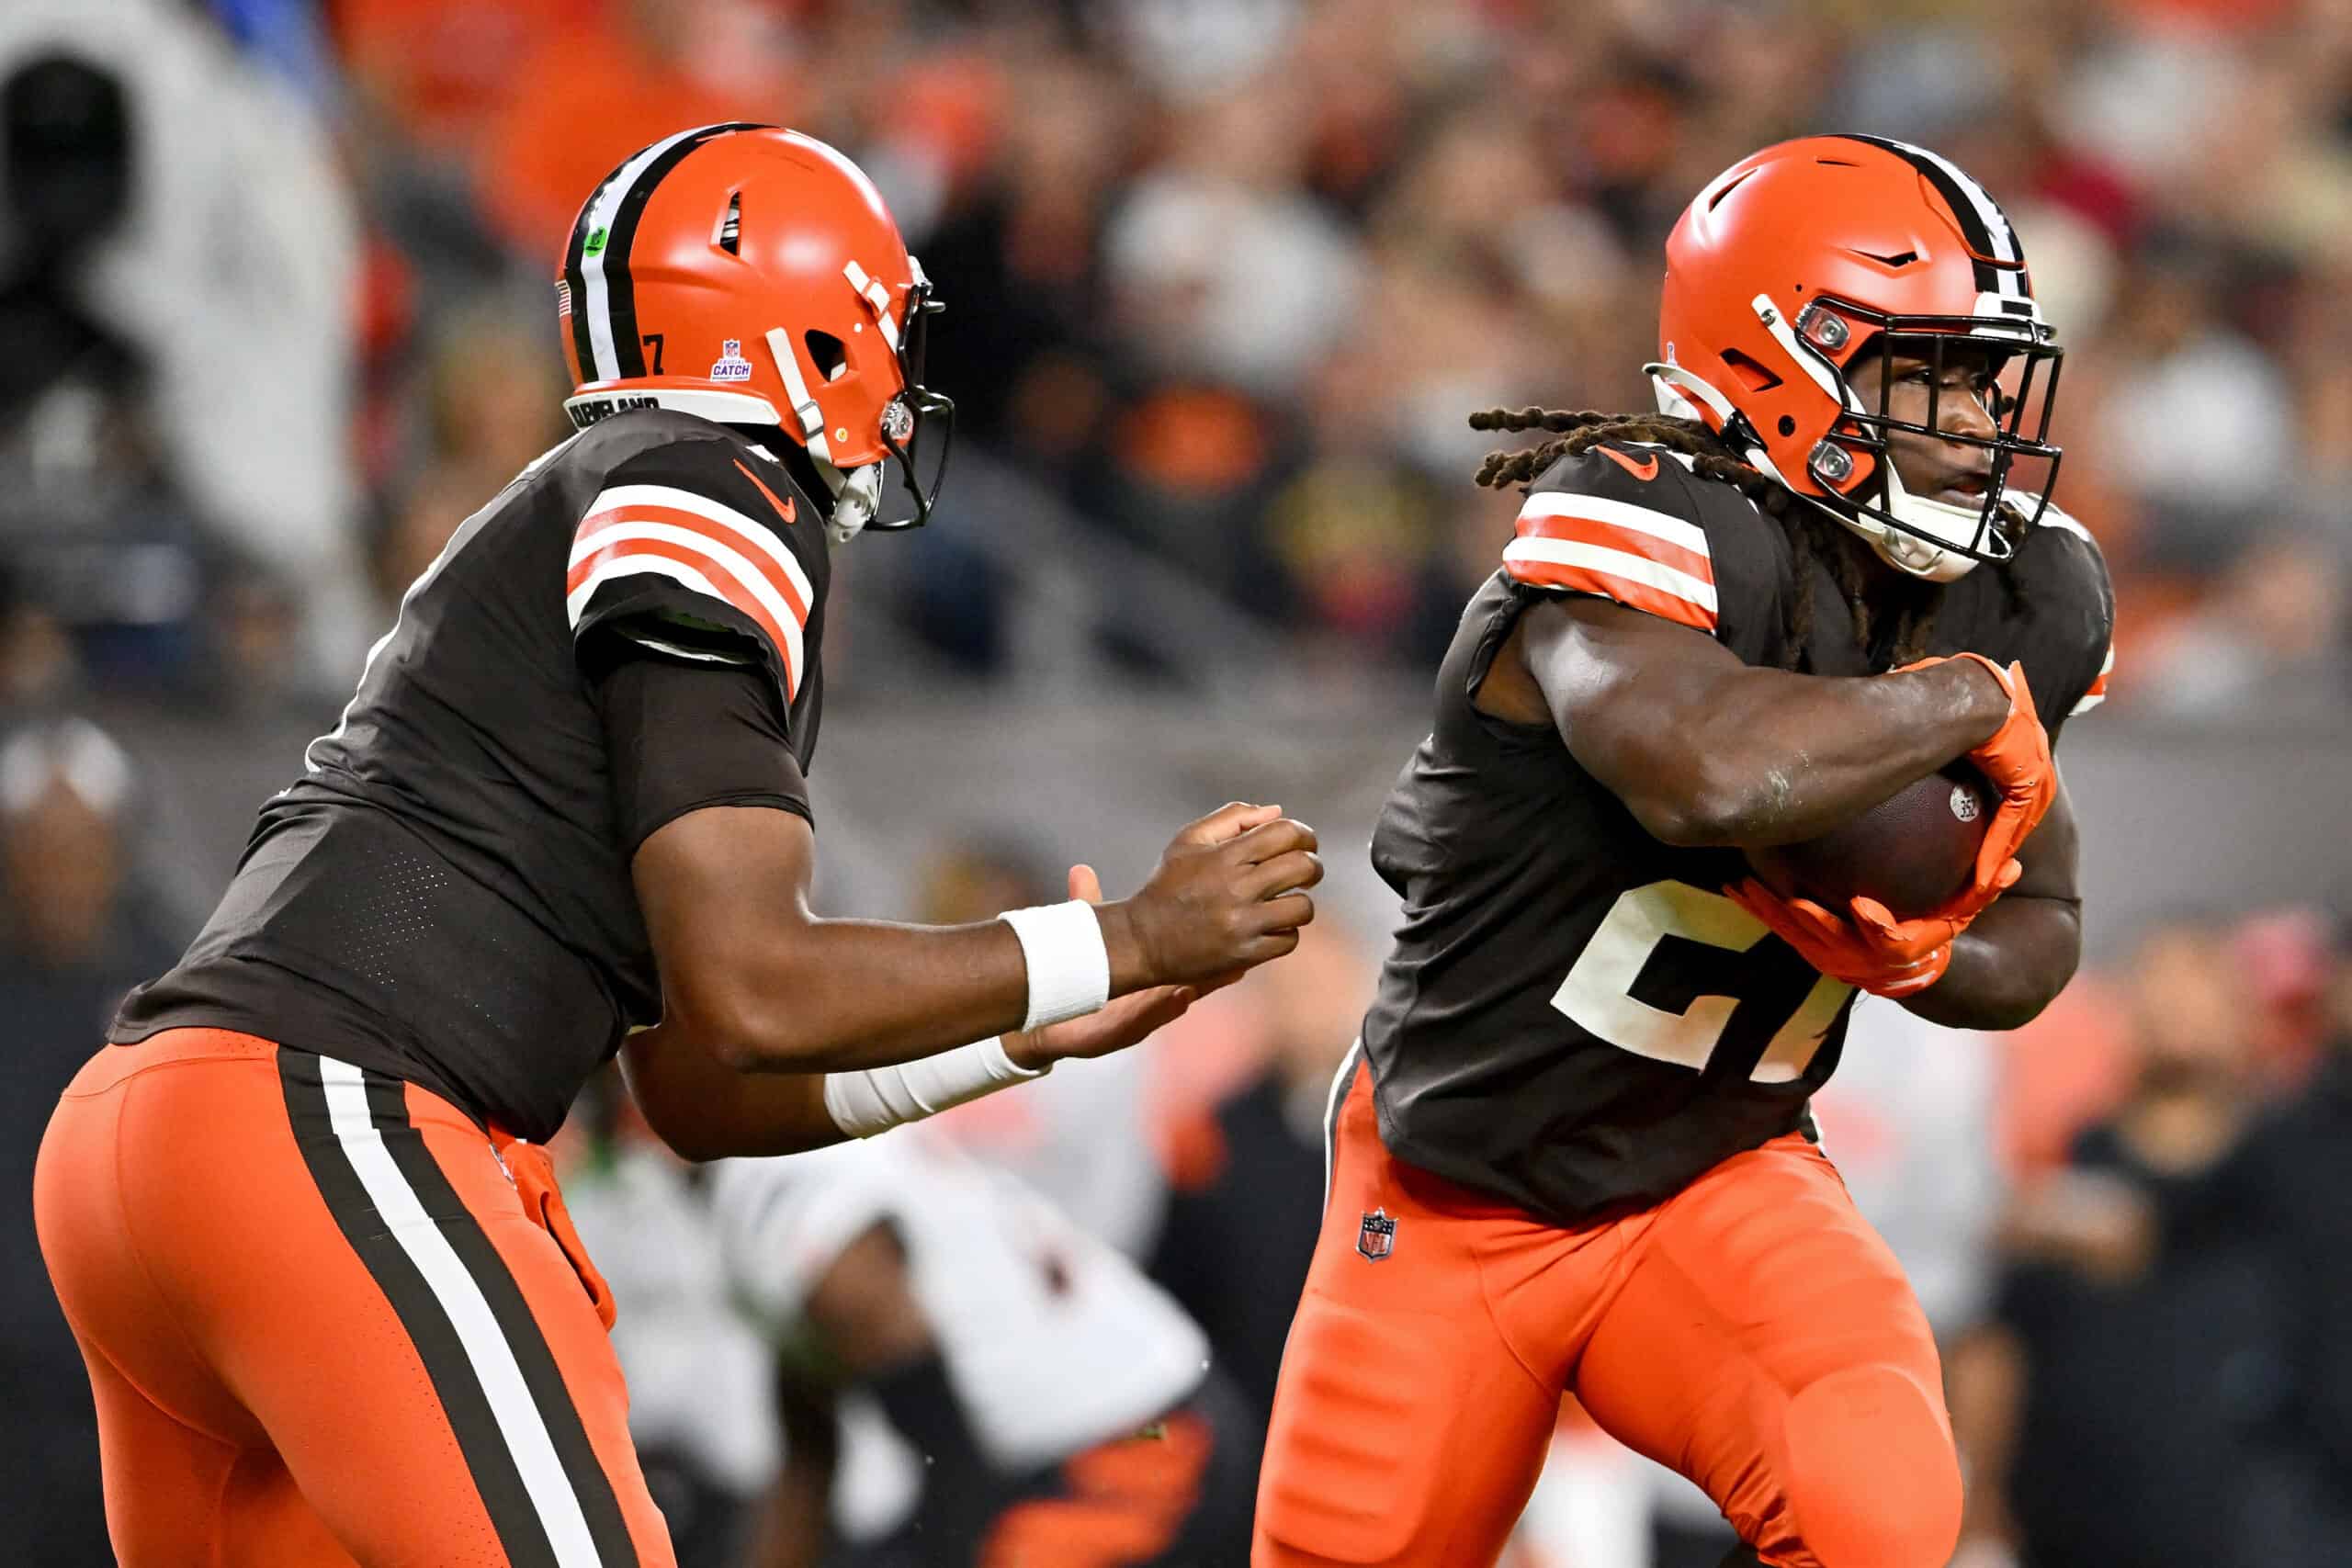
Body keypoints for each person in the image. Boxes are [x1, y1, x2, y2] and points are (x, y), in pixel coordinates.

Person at [34, 124, 1320, 1568]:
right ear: (807, 335)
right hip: (335, 1115)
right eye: (881, 329)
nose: (900, 377)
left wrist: (1026, 1022)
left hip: (162, 1137)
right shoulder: (709, 481)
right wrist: (1129, 935)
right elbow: (760, 983)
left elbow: (704, 1080)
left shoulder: (601, 502)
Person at [1253, 134, 2113, 1568]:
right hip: (1452, 1188)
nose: (1976, 421)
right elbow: (1707, 771)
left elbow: (2052, 920)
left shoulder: (2018, 587)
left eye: (1984, 375)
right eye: (1933, 373)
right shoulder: (1646, 512)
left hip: (1720, 1171)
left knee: (1879, 1510)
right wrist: (1953, 701)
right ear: (1784, 358)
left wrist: (1932, 951)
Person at [706, 1125, 1259, 1568]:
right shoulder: (779, 1168)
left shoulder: (788, 1189)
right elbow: (809, 1452)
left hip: (1148, 1438)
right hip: (1072, 1452)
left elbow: (948, 1457)